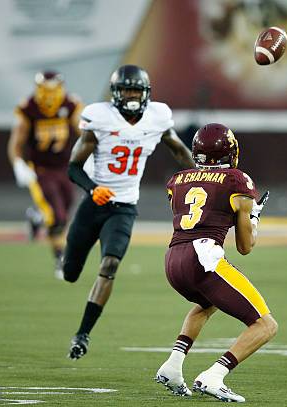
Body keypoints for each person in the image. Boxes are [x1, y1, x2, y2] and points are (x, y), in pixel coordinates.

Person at [62, 64, 194, 360]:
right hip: (93, 204)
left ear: (146, 93)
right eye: (127, 90)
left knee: (109, 265)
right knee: (71, 273)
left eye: (137, 90)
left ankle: (83, 334)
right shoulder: (100, 118)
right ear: (116, 94)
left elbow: (177, 148)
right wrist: (92, 188)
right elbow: (72, 167)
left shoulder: (157, 117)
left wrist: (200, 175)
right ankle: (67, 260)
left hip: (124, 208)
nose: (132, 96)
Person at [155, 123, 278, 402]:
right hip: (203, 257)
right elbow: (245, 247)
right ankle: (214, 375)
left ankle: (173, 365)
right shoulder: (237, 181)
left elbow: (200, 211)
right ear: (230, 152)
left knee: (205, 305)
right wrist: (253, 218)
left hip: (174, 259)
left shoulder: (178, 179)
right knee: (265, 325)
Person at [7, 70, 83, 279]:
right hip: (40, 171)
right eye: (45, 90)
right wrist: (18, 164)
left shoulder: (70, 105)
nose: (49, 96)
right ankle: (61, 258)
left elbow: (85, 133)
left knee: (66, 208)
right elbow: (16, 143)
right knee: (57, 218)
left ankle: (36, 215)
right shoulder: (28, 108)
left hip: (64, 169)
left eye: (53, 90)